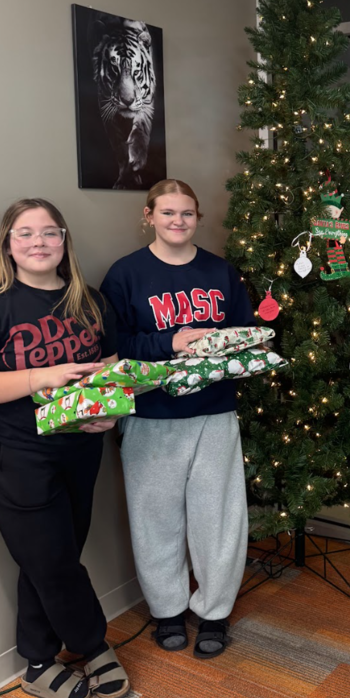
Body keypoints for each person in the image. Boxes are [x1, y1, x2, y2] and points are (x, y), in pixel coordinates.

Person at [0, 199, 130, 698]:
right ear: (7, 244)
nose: (39, 243)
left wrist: (110, 413)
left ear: (64, 241)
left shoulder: (90, 301)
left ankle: (36, 661)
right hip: (15, 454)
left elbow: (111, 369)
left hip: (80, 448)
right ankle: (93, 645)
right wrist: (40, 378)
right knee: (52, 560)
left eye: (50, 233)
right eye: (25, 233)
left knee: (51, 558)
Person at [100, 179, 253, 658]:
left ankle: (214, 612)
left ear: (197, 218)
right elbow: (113, 347)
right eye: (167, 213)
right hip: (151, 415)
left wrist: (229, 345)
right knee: (154, 520)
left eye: (187, 213)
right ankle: (166, 610)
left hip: (213, 411)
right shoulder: (125, 275)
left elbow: (244, 332)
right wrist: (172, 341)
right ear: (148, 216)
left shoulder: (220, 271)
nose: (178, 222)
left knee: (220, 520)